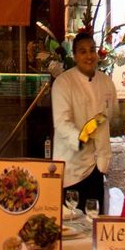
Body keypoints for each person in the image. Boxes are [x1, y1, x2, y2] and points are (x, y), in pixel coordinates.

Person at [51, 30, 117, 213]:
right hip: (73, 166)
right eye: (83, 51)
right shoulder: (63, 83)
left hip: (98, 165)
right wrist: (81, 138)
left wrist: (103, 161)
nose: (89, 56)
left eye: (92, 50)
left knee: (95, 220)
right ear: (74, 56)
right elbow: (61, 123)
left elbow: (110, 116)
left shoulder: (106, 82)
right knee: (73, 221)